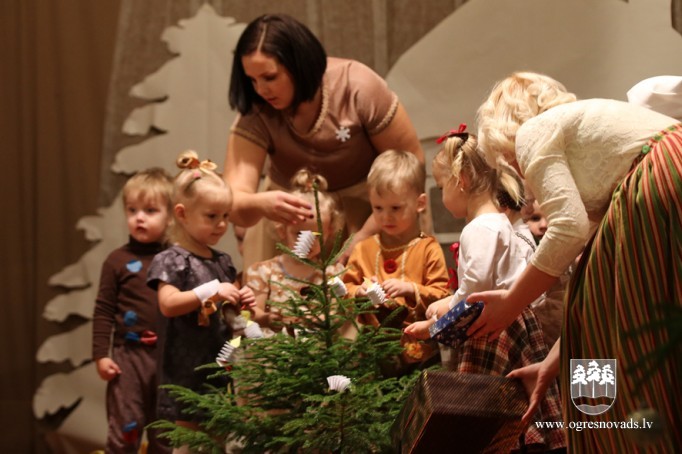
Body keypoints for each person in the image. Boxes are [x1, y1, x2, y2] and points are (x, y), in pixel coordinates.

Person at [471, 71, 682, 451]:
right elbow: (589, 289)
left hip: (660, 178)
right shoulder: (598, 148)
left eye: (509, 160)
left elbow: (567, 229)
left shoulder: (534, 131)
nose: (518, 169)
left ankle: (625, 440)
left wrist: (511, 303)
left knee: (627, 353)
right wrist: (553, 362)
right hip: (668, 177)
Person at [403, 132, 566, 452]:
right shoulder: (505, 224)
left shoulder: (478, 228)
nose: (441, 195)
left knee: (480, 413)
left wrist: (435, 322)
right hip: (516, 322)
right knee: (517, 400)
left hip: (491, 329)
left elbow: (475, 290)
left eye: (442, 186)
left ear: (461, 180)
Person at [223, 13, 425, 271]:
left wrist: (366, 233)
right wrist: (262, 204)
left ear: (299, 65)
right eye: (252, 80)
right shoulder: (256, 109)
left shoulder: (358, 87)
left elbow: (411, 166)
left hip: (370, 214)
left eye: (270, 77)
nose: (260, 89)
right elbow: (234, 200)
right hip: (290, 221)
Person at [146, 151, 255, 451]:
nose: (221, 225)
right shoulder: (172, 260)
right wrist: (211, 291)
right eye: (211, 216)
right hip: (186, 370)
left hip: (219, 366)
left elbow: (231, 312)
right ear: (182, 214)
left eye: (225, 216)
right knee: (189, 443)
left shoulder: (222, 261)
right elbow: (168, 303)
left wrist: (243, 302)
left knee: (216, 441)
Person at [92, 167, 173, 453]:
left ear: (171, 216)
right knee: (126, 425)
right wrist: (101, 355)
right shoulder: (116, 261)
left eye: (150, 210)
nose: (139, 217)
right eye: (132, 210)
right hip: (128, 357)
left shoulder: (176, 260)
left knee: (166, 431)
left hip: (168, 357)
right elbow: (103, 310)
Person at [342, 150, 450, 331]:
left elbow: (443, 295)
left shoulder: (428, 248)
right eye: (378, 208)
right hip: (372, 342)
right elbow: (345, 290)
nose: (386, 217)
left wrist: (411, 289)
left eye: (395, 208)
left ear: (420, 203)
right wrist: (358, 292)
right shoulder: (363, 249)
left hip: (418, 343)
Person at [243, 169, 345, 336]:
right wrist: (267, 318)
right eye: (299, 233)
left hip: (316, 349)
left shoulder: (332, 275)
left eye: (316, 235)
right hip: (276, 348)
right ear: (282, 230)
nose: (308, 241)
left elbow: (337, 314)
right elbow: (252, 313)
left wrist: (320, 319)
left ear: (329, 233)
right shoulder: (264, 272)